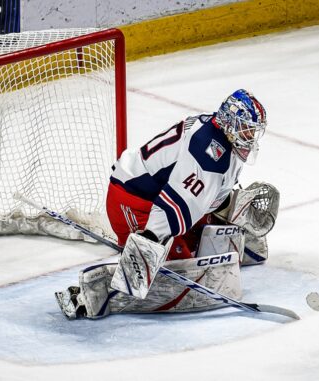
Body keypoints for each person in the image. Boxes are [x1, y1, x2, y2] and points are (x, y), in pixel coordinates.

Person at [55, 89, 280, 319]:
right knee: (182, 271)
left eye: (253, 129)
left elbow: (207, 194)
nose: (251, 135)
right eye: (246, 128)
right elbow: (168, 210)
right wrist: (148, 247)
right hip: (133, 202)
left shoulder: (221, 138)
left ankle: (227, 241)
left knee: (204, 246)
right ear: (230, 123)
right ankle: (96, 290)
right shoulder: (208, 156)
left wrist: (235, 208)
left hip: (157, 193)